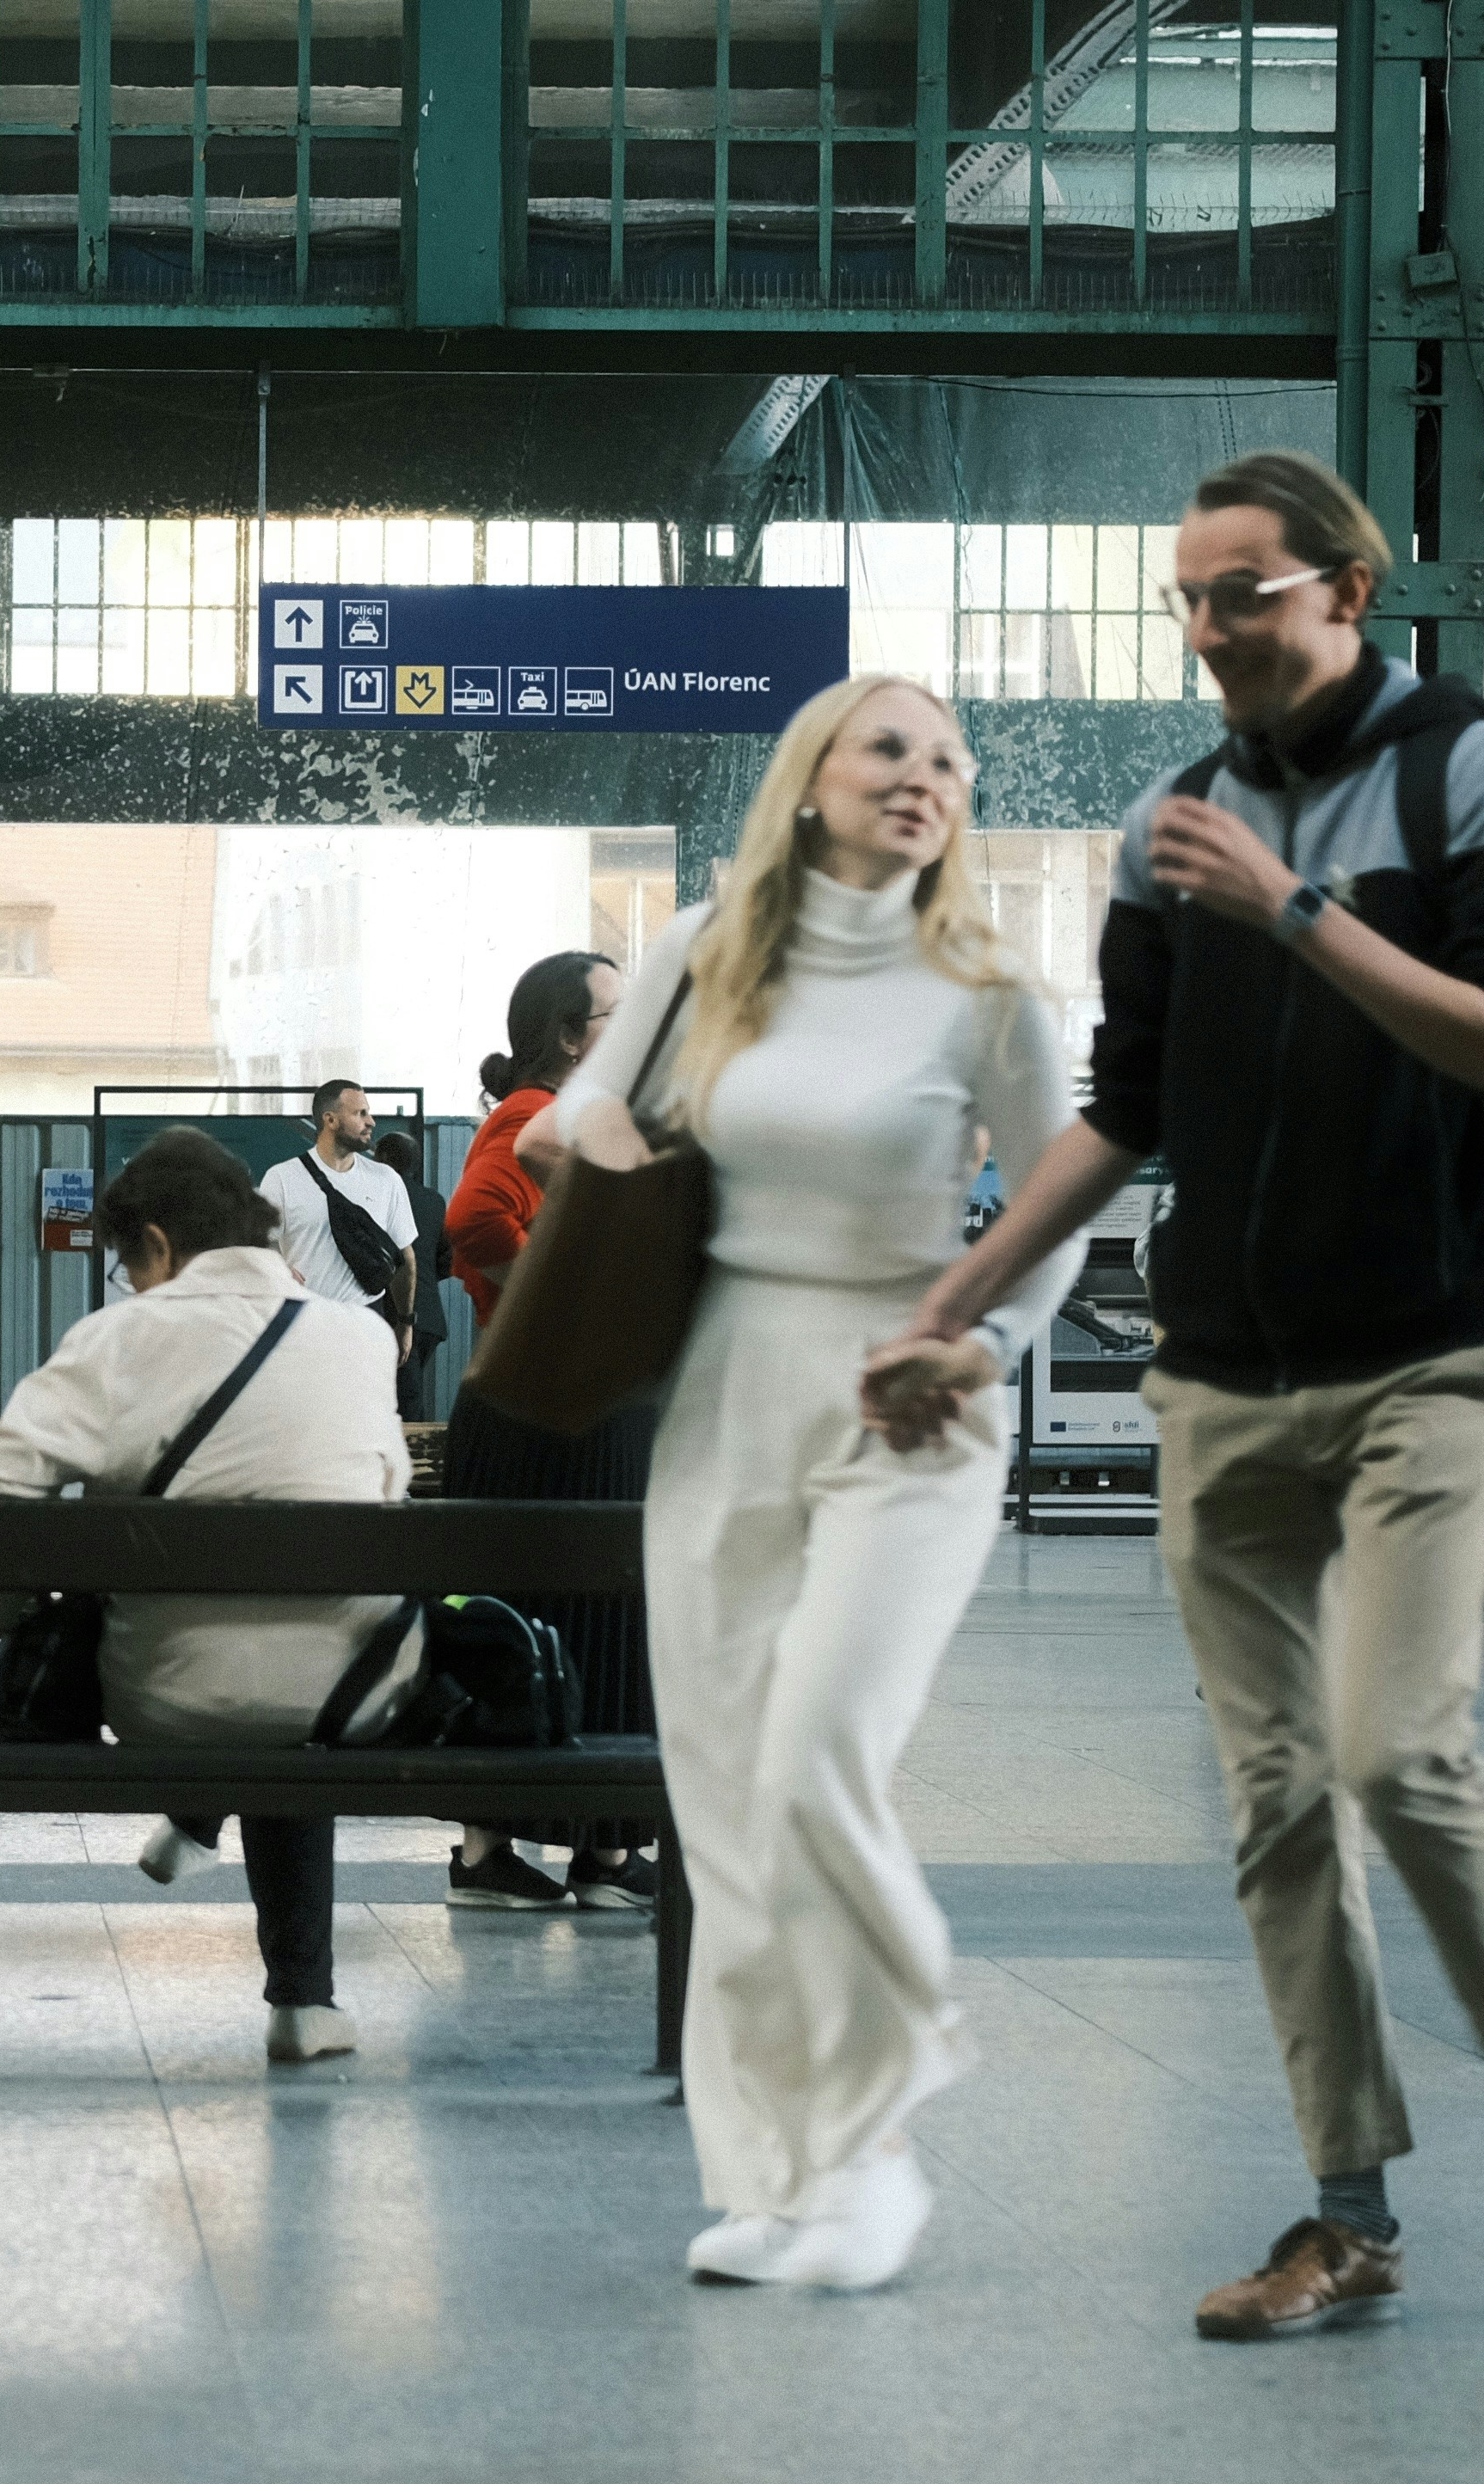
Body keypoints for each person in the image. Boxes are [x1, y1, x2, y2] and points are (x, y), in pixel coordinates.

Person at [874, 451, 1484, 2338]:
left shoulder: (1469, 777)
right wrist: (956, 1295)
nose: (1208, 630)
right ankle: (1346, 2212)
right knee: (1275, 1802)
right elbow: (1125, 1108)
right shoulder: (1168, 823)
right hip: (1224, 1367)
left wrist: (1292, 909)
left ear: (1344, 590)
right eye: (1187, 600)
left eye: (1244, 593)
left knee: (1397, 1747)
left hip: (1429, 1341)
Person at [530, 672, 1079, 2291]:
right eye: (888, 746)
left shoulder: (983, 985)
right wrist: (601, 1142)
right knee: (722, 1801)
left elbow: (1052, 1203)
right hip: (726, 1384)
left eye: (949, 760)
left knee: (815, 1755)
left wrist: (981, 1344)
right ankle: (780, 2174)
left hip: (906, 1399)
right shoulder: (714, 946)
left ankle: (879, 2127)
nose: (924, 775)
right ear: (811, 776)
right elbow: (581, 1108)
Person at [0, 1128, 408, 2064]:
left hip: (167, 1693)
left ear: (154, 1244)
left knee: (221, 1663)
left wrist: (11, 1616)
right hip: (351, 1689)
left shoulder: (122, 1337)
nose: (131, 1285)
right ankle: (304, 2003)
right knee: (288, 1675)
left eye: (129, 1267)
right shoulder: (361, 1337)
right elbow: (385, 1496)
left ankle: (199, 1807)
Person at [438, 951, 659, 1913]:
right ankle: (520, 1850)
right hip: (549, 1411)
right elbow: (473, 1220)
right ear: (569, 1036)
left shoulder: (578, 1115)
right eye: (616, 1011)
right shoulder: (533, 1115)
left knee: (572, 1620)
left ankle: (588, 1849)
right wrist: (561, 1294)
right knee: (550, 1617)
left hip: (566, 1409)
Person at [259, 1080, 421, 1364]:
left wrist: (406, 1323)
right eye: (360, 1113)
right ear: (330, 1120)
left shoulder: (386, 1180)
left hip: (366, 1322)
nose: (371, 1122)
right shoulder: (282, 1178)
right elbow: (259, 1246)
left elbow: (405, 1259)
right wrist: (279, 1268)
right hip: (303, 1323)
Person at [365, 1127, 450, 1424]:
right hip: (429, 1319)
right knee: (406, 1399)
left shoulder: (373, 1197)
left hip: (394, 1315)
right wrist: (422, 1283)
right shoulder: (434, 1201)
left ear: (385, 1159)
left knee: (400, 1404)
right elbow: (448, 1258)